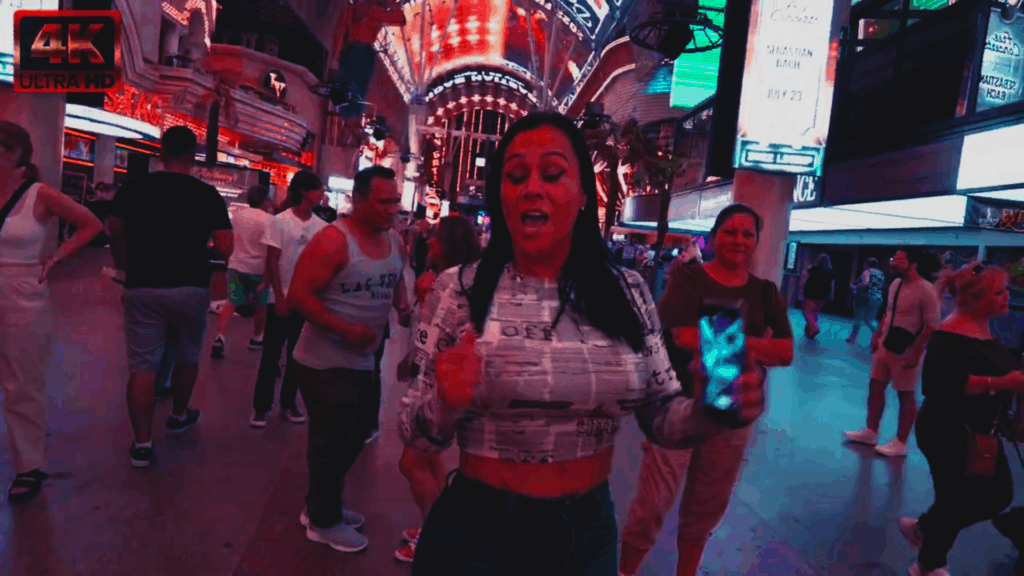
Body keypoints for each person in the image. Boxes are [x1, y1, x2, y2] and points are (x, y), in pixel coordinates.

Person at [397, 112, 768, 575]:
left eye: (553, 174)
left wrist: (710, 411)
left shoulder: (627, 291)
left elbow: (662, 417)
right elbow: (412, 437)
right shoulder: (457, 289)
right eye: (516, 176)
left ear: (582, 196)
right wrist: (445, 402)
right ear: (501, 196)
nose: (532, 188)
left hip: (589, 533)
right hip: (480, 532)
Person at [619, 204, 795, 576]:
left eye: (747, 234)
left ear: (756, 242)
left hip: (731, 413)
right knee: (652, 505)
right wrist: (754, 344)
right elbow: (676, 333)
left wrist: (722, 340)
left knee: (706, 508)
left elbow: (786, 351)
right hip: (679, 406)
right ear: (714, 238)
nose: (739, 240)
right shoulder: (691, 279)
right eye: (730, 231)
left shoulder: (765, 292)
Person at [288, 165, 413, 553]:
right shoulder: (333, 241)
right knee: (333, 442)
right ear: (358, 201)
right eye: (383, 201)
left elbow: (396, 277)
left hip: (363, 359)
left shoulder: (394, 241)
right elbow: (299, 296)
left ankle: (320, 505)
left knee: (358, 432)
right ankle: (323, 521)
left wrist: (403, 305)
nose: (392, 209)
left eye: (395, 201)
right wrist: (345, 329)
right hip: (324, 361)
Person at [107, 126, 233, 468]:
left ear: (161, 152)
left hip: (142, 285)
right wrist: (202, 253)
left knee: (143, 366)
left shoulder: (134, 188)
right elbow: (225, 247)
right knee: (188, 356)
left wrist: (124, 262)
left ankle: (142, 444)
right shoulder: (207, 194)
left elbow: (114, 230)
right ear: (193, 155)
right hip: (190, 286)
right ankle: (178, 415)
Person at [898, 262, 1024, 576]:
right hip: (947, 429)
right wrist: (1003, 383)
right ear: (974, 299)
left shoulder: (982, 329)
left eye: (1005, 290)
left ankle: (925, 543)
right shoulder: (949, 334)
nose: (1007, 297)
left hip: (977, 431)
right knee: (984, 496)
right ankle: (926, 558)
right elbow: (939, 385)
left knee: (967, 498)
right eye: (999, 292)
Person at [0, 121, 102, 502]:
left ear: (15, 154)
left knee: (21, 383)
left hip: (22, 289)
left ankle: (29, 465)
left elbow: (90, 224)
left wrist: (56, 257)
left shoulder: (38, 194)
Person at [395, 215, 482, 563]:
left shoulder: (452, 284)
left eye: (435, 236)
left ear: (448, 243)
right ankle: (441, 527)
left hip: (440, 390)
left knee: (410, 463)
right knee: (428, 459)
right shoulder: (449, 280)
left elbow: (438, 334)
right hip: (434, 384)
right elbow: (426, 329)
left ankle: (435, 541)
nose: (428, 240)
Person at [249, 171, 328, 428]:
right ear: (304, 191)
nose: (322, 193)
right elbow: (272, 259)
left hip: (306, 301)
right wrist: (280, 296)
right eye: (318, 188)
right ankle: (261, 407)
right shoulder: (280, 222)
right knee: (271, 355)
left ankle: (288, 402)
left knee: (298, 356)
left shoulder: (322, 227)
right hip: (280, 298)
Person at [844, 248, 941, 457]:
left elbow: (931, 325)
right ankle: (871, 431)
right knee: (876, 385)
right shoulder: (896, 284)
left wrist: (916, 351)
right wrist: (877, 335)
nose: (894, 263)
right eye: (894, 259)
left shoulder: (926, 290)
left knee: (905, 394)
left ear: (913, 264)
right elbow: (888, 313)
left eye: (900, 260)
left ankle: (901, 442)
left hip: (907, 348)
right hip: (886, 344)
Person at [211, 185, 274, 359]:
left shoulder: (237, 216)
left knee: (231, 302)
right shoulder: (270, 221)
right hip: (258, 268)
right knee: (261, 305)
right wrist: (267, 278)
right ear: (264, 200)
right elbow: (271, 250)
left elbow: (229, 240)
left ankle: (219, 337)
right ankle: (256, 338)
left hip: (237, 265)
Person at [847, 257, 886, 343]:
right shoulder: (881, 274)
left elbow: (865, 283)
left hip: (864, 297)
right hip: (877, 298)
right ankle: (880, 336)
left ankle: (852, 338)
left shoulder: (867, 271)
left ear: (866, 264)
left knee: (858, 318)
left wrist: (855, 287)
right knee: (870, 319)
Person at [802, 253, 834, 339]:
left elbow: (804, 276)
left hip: (811, 293)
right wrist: (831, 295)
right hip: (823, 296)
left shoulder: (813, 269)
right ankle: (810, 332)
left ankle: (814, 328)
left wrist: (808, 269)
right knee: (814, 313)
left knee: (806, 312)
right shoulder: (830, 272)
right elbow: (832, 284)